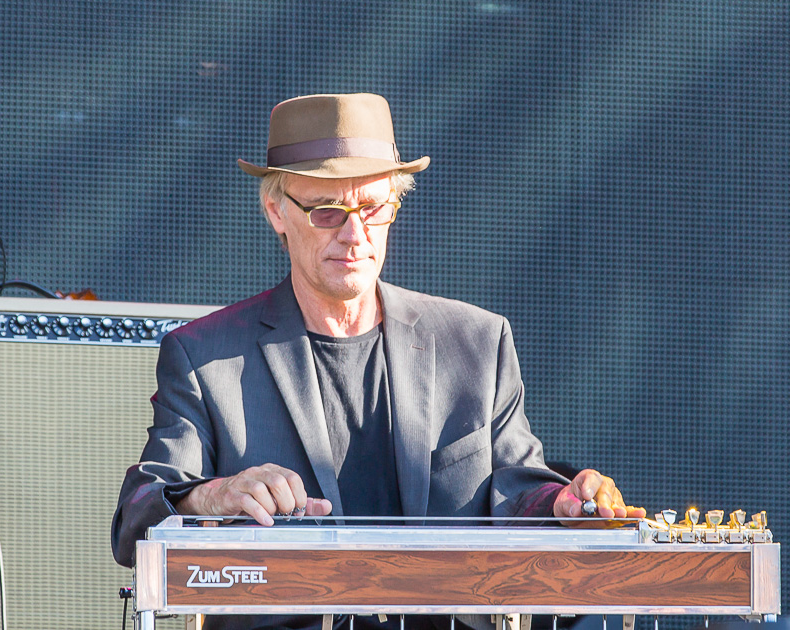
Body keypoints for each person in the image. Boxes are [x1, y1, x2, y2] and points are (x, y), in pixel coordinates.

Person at [111, 93, 644, 630]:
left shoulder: (477, 341)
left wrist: (562, 503)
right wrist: (211, 495)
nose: (354, 235)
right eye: (326, 212)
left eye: (373, 208)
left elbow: (518, 487)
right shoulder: (204, 355)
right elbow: (136, 519)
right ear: (277, 211)